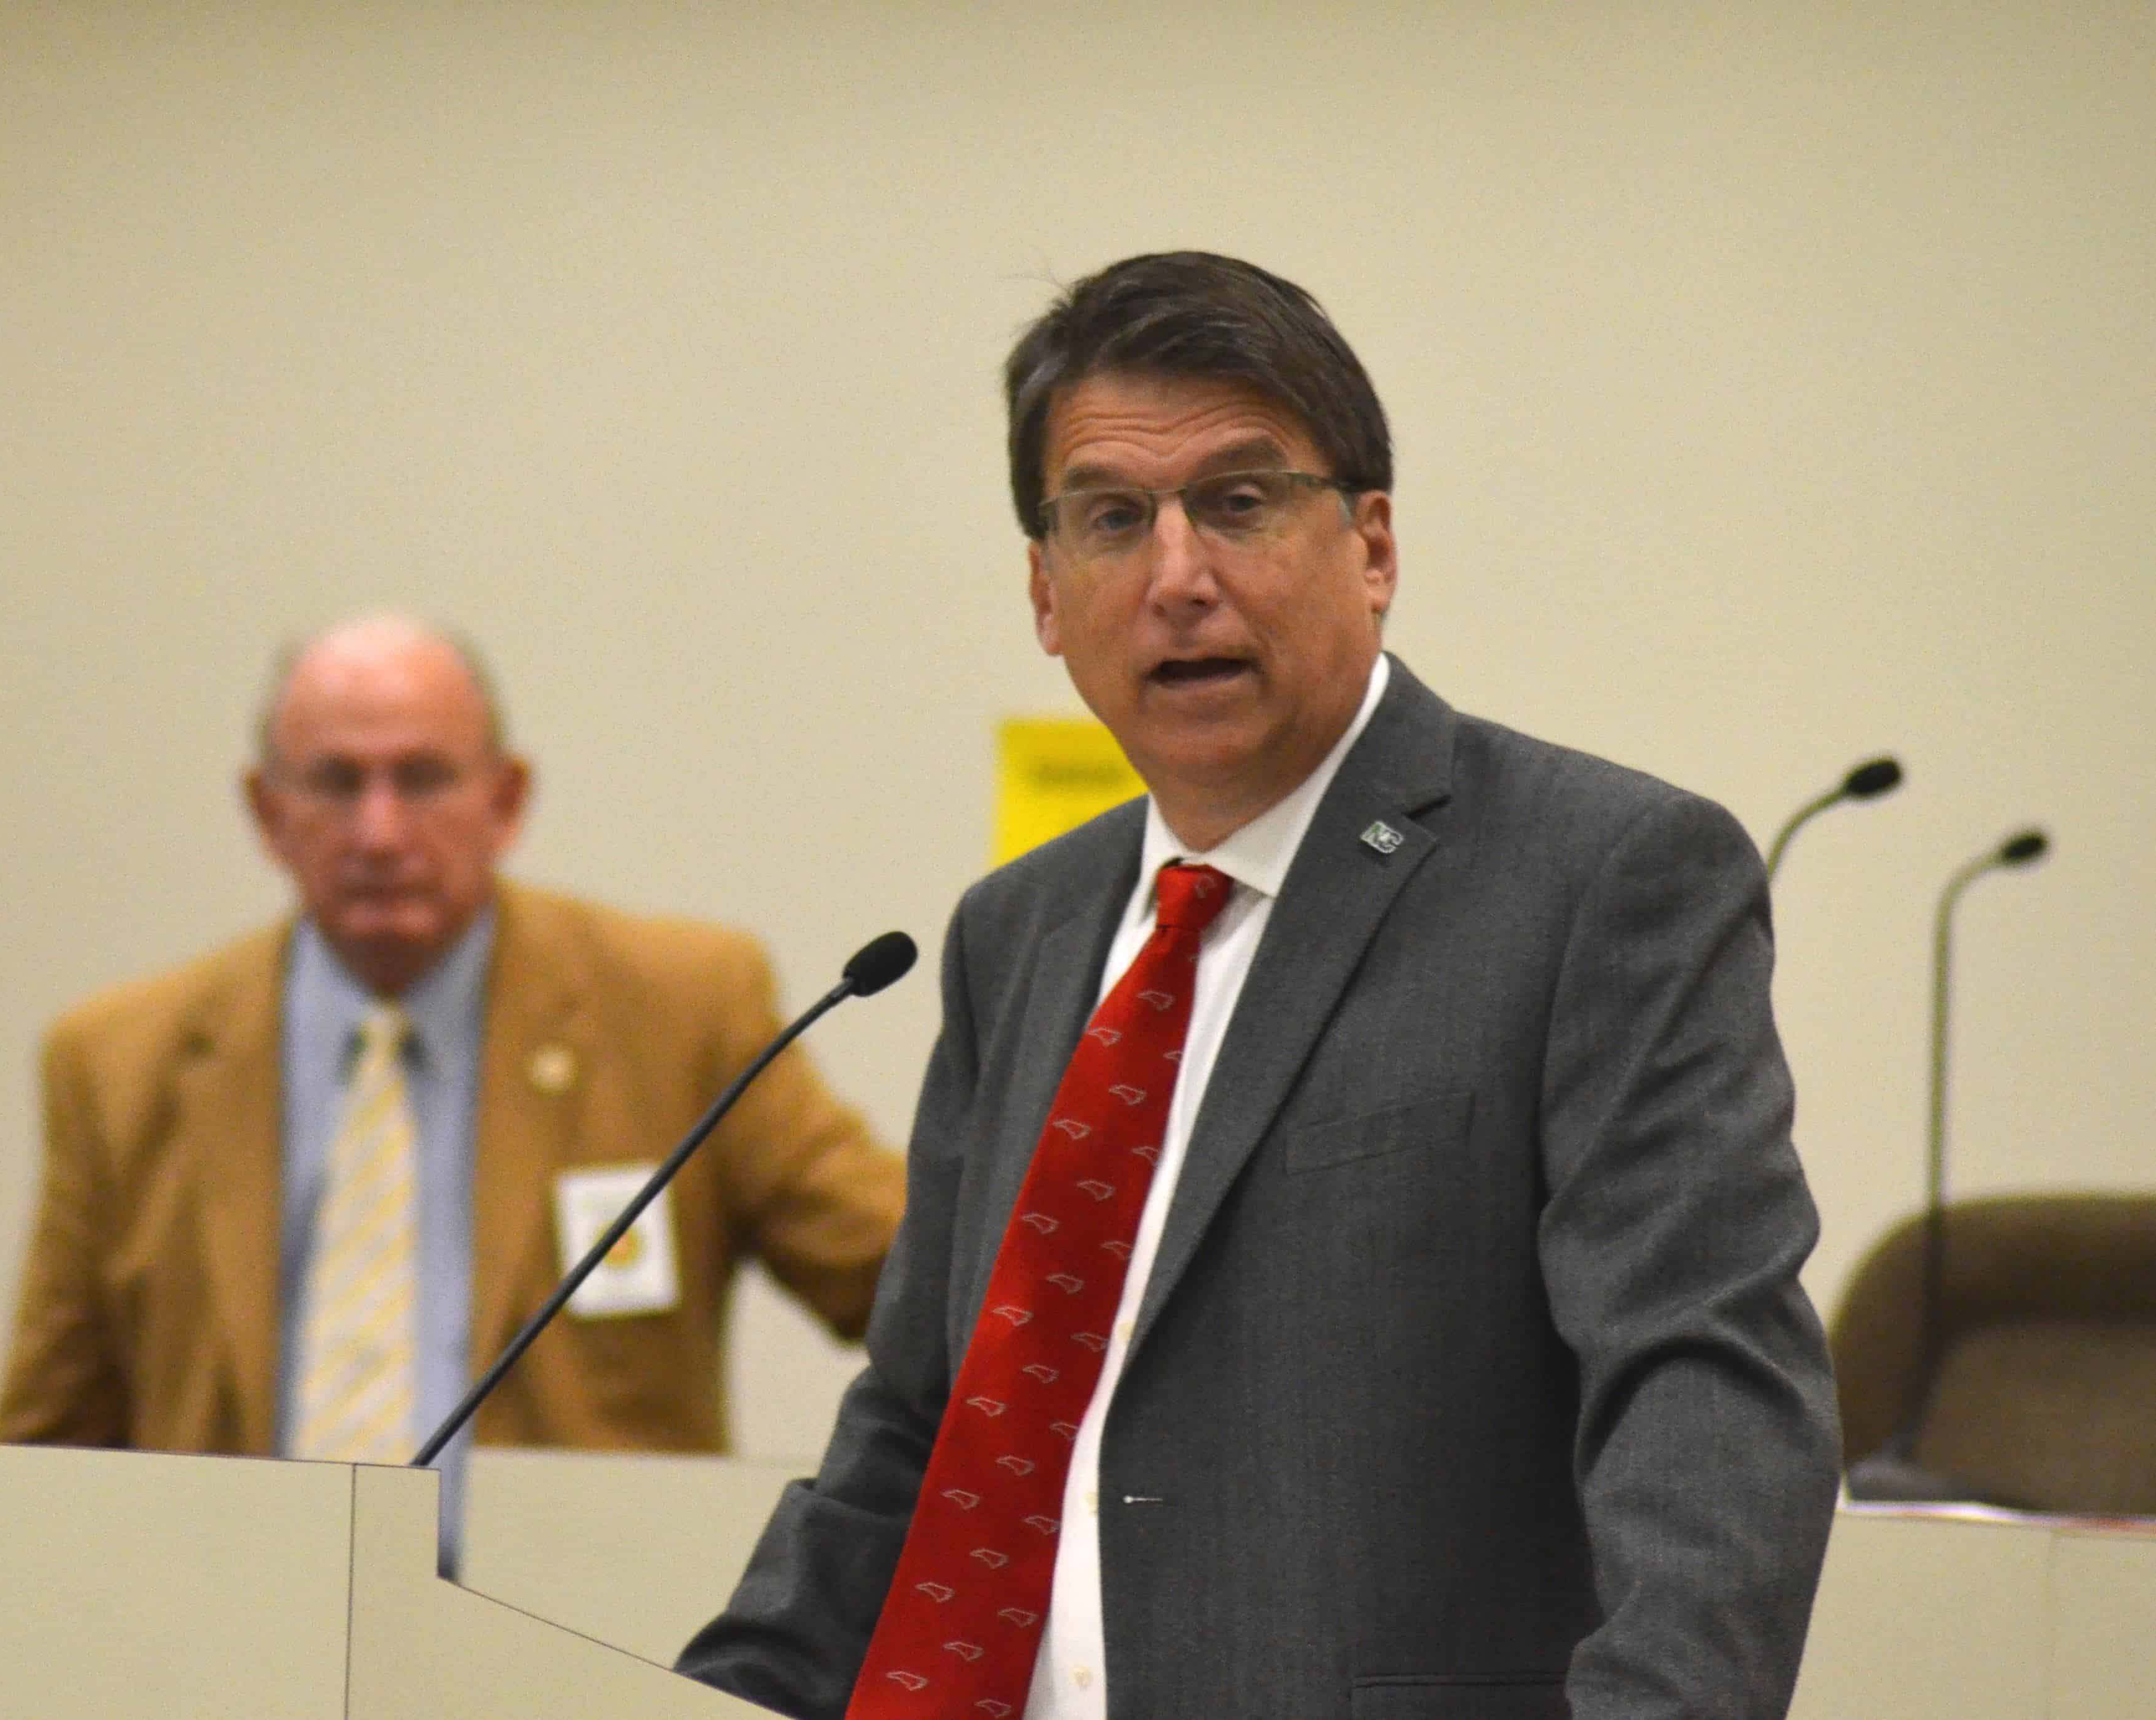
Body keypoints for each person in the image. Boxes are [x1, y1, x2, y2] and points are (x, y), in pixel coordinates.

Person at [678, 254, 1842, 1719]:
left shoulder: (1596, 877)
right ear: (1044, 592)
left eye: (1237, 502)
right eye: (1110, 519)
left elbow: (1706, 1392)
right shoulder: (1015, 934)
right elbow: (924, 1434)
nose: (1175, 577)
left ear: (1370, 546)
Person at [0, 614, 905, 1494]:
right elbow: (46, 1453)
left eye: (421, 779)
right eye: (336, 783)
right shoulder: (119, 1063)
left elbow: (910, 1275)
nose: (378, 833)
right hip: (234, 1625)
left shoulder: (676, 1011)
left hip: (566, 1622)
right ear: (267, 813)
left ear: (504, 801)